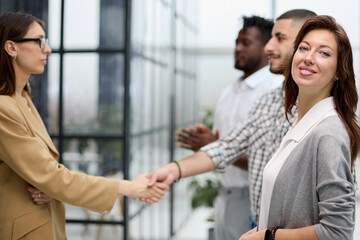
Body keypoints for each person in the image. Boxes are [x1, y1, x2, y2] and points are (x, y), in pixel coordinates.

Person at [0, 12, 167, 240]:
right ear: (11, 47)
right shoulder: (3, 108)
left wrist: (49, 187)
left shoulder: (23, 98)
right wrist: (129, 188)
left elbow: (41, 174)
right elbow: (49, 174)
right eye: (39, 41)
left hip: (43, 223)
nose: (47, 49)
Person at [144, 9, 317, 228]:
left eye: (279, 38)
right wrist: (172, 170)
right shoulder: (269, 101)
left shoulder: (325, 114)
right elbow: (227, 146)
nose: (268, 47)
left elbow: (335, 221)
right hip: (257, 219)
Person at [240, 15, 359, 240]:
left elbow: (338, 231)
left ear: (337, 72)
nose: (309, 58)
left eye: (324, 53)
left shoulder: (328, 133)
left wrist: (268, 236)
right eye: (304, 48)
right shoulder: (301, 122)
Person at [176, 15, 282, 239]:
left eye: (246, 43)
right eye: (236, 42)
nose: (237, 48)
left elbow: (270, 161)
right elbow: (221, 145)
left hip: (253, 198)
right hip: (224, 195)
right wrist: (206, 144)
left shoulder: (273, 93)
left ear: (266, 48)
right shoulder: (229, 92)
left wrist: (215, 146)